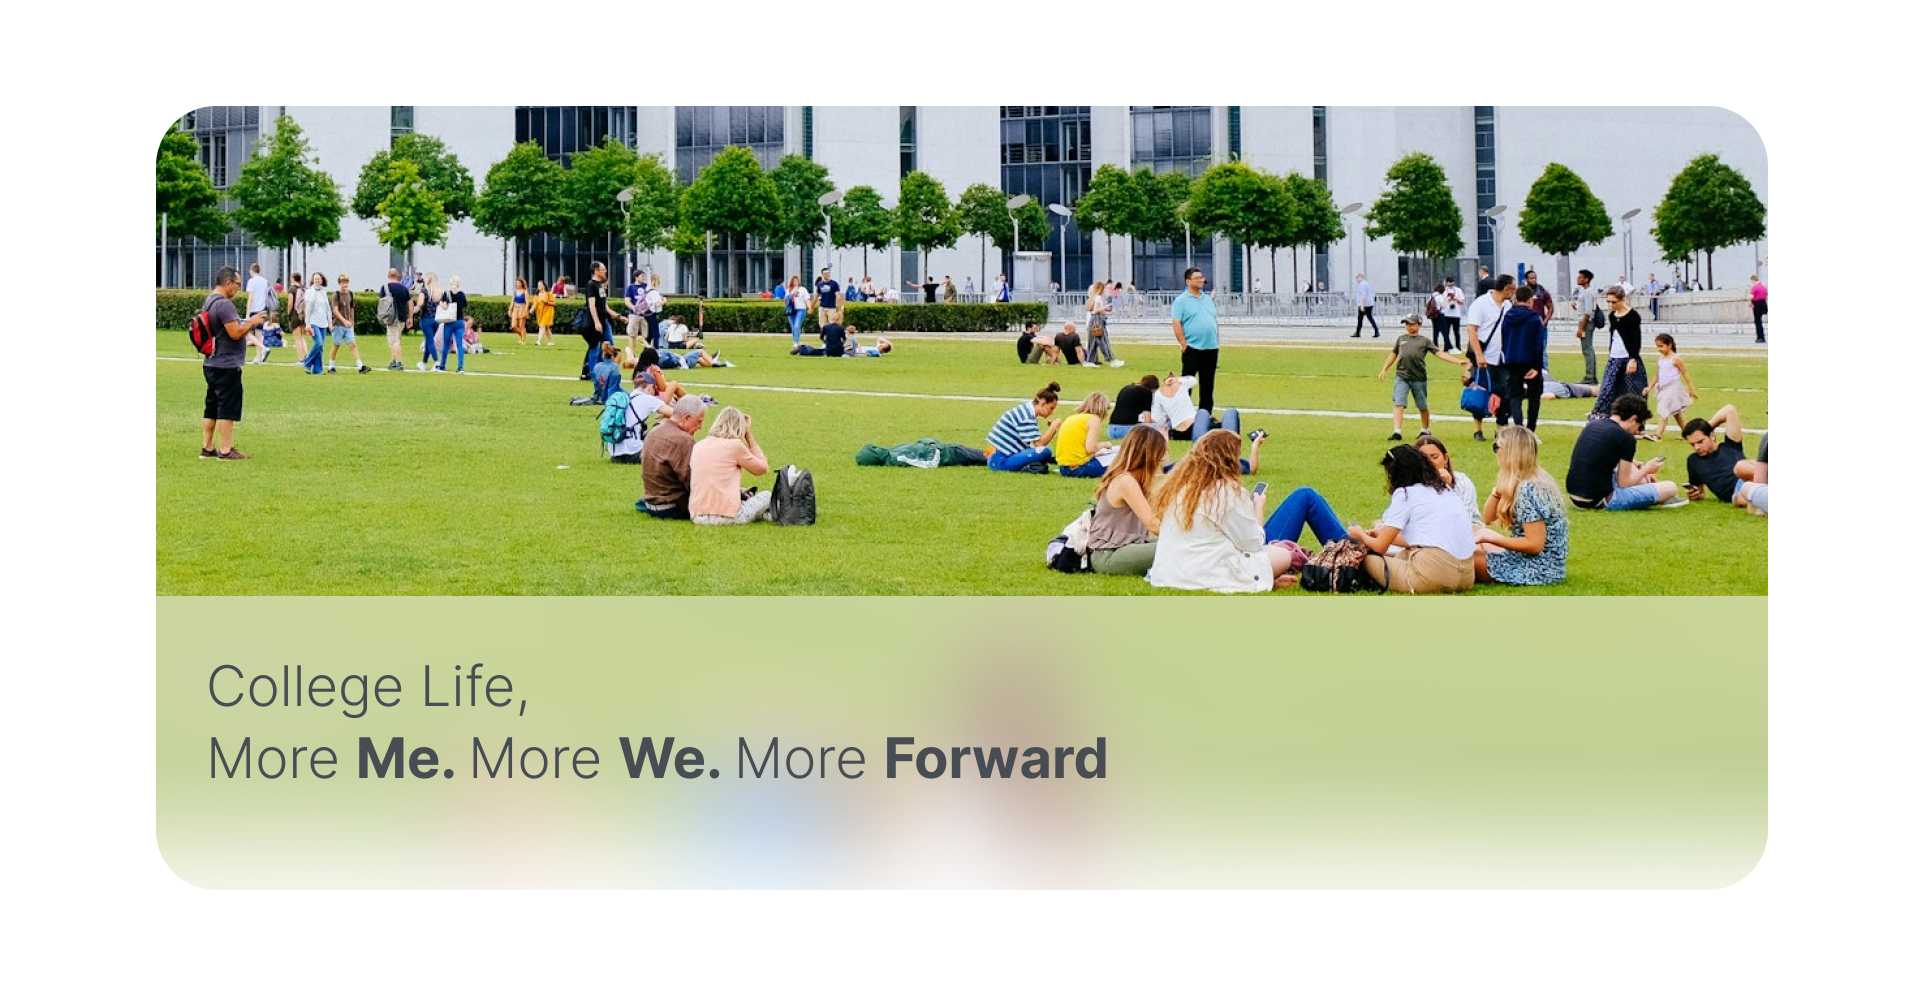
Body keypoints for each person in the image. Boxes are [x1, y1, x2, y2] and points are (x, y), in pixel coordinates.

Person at [1146, 431, 1297, 592]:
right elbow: (1253, 544)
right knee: (1283, 554)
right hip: (1209, 573)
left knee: (1273, 554)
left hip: (1169, 573)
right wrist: (1257, 509)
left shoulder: (1178, 488)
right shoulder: (1227, 493)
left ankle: (1271, 576)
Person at [1348, 445, 1478, 594]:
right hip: (1466, 577)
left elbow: (1380, 547)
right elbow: (1426, 540)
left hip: (1432, 578)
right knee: (1405, 553)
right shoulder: (1444, 489)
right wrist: (1382, 534)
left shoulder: (1405, 494)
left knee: (1364, 558)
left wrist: (1360, 535)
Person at [1474, 426, 1570, 586]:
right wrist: (1498, 492)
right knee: (1478, 532)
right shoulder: (1530, 480)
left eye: (1497, 447)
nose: (1496, 452)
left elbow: (1535, 545)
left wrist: (1494, 538)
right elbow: (1488, 518)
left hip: (1537, 569)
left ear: (1511, 452)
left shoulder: (1528, 489)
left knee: (1464, 558)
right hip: (1545, 565)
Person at [198, 266, 268, 460]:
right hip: (226, 364)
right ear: (228, 283)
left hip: (211, 362)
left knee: (211, 406)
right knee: (226, 407)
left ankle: (207, 447)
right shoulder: (224, 305)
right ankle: (226, 450)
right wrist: (252, 322)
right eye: (237, 285)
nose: (239, 289)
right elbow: (235, 332)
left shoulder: (209, 301)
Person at [1565, 394, 1682, 510]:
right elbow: (1624, 483)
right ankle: (1649, 493)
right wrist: (1647, 468)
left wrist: (1635, 465)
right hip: (1600, 500)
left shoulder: (1593, 425)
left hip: (1575, 496)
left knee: (1634, 469)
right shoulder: (1626, 438)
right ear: (1633, 419)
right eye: (1640, 427)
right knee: (1670, 487)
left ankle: (1646, 489)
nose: (1638, 432)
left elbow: (1600, 456)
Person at [1086, 425, 1169, 576]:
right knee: (1179, 546)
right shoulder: (1125, 481)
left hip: (1126, 547)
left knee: (1180, 545)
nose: (1164, 457)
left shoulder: (1136, 479)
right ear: (1149, 454)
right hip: (1108, 555)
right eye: (1162, 452)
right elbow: (1153, 525)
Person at [1377, 313, 1471, 441]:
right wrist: (1384, 369)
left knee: (1422, 406)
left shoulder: (1424, 341)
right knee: (1399, 403)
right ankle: (1397, 431)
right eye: (1407, 324)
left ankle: (1425, 429)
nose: (1409, 327)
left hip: (1418, 379)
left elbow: (1439, 353)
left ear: (1419, 325)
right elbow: (1393, 354)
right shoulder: (1401, 339)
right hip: (1402, 377)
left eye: (1412, 324)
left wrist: (1457, 361)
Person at [690, 406, 774, 526]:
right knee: (767, 495)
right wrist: (748, 435)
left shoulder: (698, 446)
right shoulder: (735, 446)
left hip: (698, 516)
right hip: (729, 516)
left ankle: (768, 515)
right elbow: (762, 468)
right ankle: (776, 514)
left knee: (742, 492)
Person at [1462, 273, 1517, 441]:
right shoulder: (1481, 304)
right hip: (1484, 357)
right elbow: (1472, 330)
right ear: (1507, 288)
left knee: (1505, 393)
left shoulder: (1508, 305)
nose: (1514, 292)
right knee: (1480, 392)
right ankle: (1478, 429)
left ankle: (1501, 429)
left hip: (1502, 357)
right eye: (1513, 289)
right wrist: (1479, 355)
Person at [638, 395, 708, 519]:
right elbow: (693, 483)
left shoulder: (653, 432)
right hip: (672, 507)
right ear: (686, 418)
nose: (700, 427)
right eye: (699, 421)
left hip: (650, 503)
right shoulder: (683, 440)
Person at [1684, 404, 1765, 508]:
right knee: (1739, 499)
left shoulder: (1730, 445)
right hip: (1737, 493)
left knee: (1741, 467)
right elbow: (1699, 490)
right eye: (1692, 444)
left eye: (1700, 441)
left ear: (1712, 436)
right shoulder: (1693, 461)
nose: (1697, 447)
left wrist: (1705, 428)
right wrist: (1696, 494)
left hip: (1749, 477)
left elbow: (1729, 410)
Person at [1589, 285, 1647, 420]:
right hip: (1614, 358)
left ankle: (1635, 421)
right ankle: (1602, 417)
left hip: (1628, 358)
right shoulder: (1612, 316)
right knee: (1607, 390)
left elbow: (1635, 339)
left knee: (1633, 392)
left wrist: (1633, 358)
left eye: (1614, 302)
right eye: (1608, 302)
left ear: (1622, 300)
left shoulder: (1632, 316)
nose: (1611, 305)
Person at [1495, 289, 1548, 431]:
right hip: (1530, 361)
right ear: (1530, 300)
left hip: (1511, 360)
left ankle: (1519, 426)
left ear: (1516, 299)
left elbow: (1504, 340)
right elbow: (1538, 345)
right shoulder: (1534, 318)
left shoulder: (1507, 317)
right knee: (1534, 396)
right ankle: (1531, 429)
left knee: (1515, 396)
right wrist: (1537, 367)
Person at [1171, 267, 1221, 414]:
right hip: (1192, 348)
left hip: (1211, 348)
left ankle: (1205, 415)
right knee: (1187, 384)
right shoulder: (1181, 301)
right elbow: (1176, 323)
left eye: (1202, 277)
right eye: (1197, 278)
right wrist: (1183, 344)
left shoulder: (1207, 300)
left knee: (1207, 385)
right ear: (1188, 281)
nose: (1201, 280)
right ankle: (1183, 416)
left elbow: (1213, 320)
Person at [986, 381, 1063, 473]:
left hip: (998, 457)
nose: (1052, 412)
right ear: (1042, 403)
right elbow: (1039, 443)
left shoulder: (1027, 410)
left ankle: (1034, 465)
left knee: (1042, 452)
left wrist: (1052, 429)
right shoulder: (1026, 416)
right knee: (1045, 451)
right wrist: (1054, 426)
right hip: (1000, 461)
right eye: (1051, 408)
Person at [1413, 434, 1481, 530]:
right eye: (1424, 459)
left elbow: (1461, 522)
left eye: (1435, 457)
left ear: (1445, 459)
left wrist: (1447, 488)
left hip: (1466, 533)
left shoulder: (1462, 483)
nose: (1430, 463)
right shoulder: (1412, 486)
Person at [1152, 372, 1241, 442]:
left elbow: (1158, 418)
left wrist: (1168, 418)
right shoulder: (1180, 384)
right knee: (1221, 422)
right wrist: (1178, 379)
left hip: (1177, 433)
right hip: (1194, 426)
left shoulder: (1158, 394)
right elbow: (1193, 380)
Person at [1645, 333, 1698, 440]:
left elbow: (1685, 373)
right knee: (1677, 414)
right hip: (1663, 388)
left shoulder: (1676, 359)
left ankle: (1657, 435)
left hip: (1673, 388)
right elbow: (1657, 374)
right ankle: (1689, 434)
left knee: (1663, 410)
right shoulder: (1661, 358)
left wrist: (1691, 389)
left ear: (1669, 345)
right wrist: (1649, 387)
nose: (1659, 349)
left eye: (1661, 346)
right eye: (1657, 346)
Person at [608, 370, 666, 464]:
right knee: (665, 421)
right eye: (654, 388)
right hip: (635, 453)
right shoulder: (648, 399)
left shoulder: (626, 398)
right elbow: (676, 414)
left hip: (615, 456)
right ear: (649, 387)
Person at [1055, 393, 1117, 478]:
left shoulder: (1071, 418)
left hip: (1064, 468)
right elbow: (1090, 448)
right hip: (1081, 467)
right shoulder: (1094, 419)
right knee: (1119, 463)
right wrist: (1105, 445)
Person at [326, 273, 370, 374]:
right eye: (342, 283)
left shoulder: (350, 294)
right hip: (338, 325)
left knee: (353, 345)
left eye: (346, 282)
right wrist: (344, 321)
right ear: (339, 283)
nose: (344, 285)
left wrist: (351, 321)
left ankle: (360, 366)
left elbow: (351, 309)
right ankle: (331, 366)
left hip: (348, 325)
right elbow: (335, 310)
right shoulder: (336, 295)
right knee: (336, 345)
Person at [581, 262, 617, 380]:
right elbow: (592, 305)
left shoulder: (601, 285)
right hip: (594, 323)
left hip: (604, 321)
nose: (605, 271)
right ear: (596, 271)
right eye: (603, 269)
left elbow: (604, 305)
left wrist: (617, 315)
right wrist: (596, 322)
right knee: (595, 348)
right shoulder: (591, 285)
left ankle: (605, 370)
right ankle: (593, 373)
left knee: (609, 345)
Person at [435, 275, 470, 373]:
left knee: (446, 344)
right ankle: (460, 367)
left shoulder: (447, 293)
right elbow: (464, 306)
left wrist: (441, 304)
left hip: (449, 321)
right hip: (459, 321)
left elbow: (444, 306)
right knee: (459, 344)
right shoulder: (462, 294)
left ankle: (442, 365)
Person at [378, 268, 410, 371]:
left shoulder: (385, 288)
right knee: (397, 339)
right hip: (402, 318)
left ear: (388, 275)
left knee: (393, 341)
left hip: (391, 318)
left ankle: (398, 362)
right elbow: (410, 302)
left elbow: (382, 303)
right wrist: (410, 317)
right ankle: (393, 361)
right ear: (397, 276)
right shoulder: (403, 288)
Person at [1108, 374, 1158, 439]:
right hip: (1127, 430)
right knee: (1162, 426)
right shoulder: (1147, 392)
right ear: (1153, 388)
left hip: (1111, 430)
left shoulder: (1126, 388)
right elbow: (1147, 423)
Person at [244, 263, 276, 365]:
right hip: (263, 309)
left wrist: (247, 314)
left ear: (251, 271)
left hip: (254, 310)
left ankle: (264, 348)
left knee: (247, 333)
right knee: (259, 334)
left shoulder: (252, 281)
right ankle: (258, 357)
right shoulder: (265, 281)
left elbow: (251, 298)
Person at [1083, 280, 1119, 367]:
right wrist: (1105, 307)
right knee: (1103, 341)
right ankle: (1111, 360)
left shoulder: (1093, 297)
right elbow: (1096, 310)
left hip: (1094, 320)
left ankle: (1089, 361)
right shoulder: (1098, 297)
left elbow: (1093, 310)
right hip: (1097, 321)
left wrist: (1106, 312)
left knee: (1093, 342)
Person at [301, 271, 331, 374]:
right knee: (318, 343)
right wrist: (307, 324)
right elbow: (308, 309)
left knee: (321, 347)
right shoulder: (310, 291)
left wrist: (330, 323)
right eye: (315, 279)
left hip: (323, 322)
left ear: (322, 280)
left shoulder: (323, 292)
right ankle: (307, 362)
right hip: (313, 322)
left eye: (319, 278)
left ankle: (318, 369)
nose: (317, 280)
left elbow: (328, 309)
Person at [415, 272, 440, 370]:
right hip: (436, 319)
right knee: (428, 340)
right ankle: (424, 362)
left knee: (430, 341)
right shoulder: (438, 291)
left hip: (426, 318)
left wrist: (416, 306)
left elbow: (420, 303)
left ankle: (436, 361)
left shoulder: (424, 291)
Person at [1438, 274, 1466, 354]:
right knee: (1446, 332)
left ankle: (1458, 346)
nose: (1450, 285)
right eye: (1448, 283)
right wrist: (1448, 299)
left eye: (1451, 283)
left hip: (1456, 314)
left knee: (1456, 332)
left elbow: (1462, 302)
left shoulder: (1458, 290)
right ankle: (1447, 347)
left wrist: (1455, 298)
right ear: (1446, 283)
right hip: (1446, 314)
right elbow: (1441, 303)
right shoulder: (1443, 291)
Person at [624, 271, 648, 357]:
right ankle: (632, 354)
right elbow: (627, 301)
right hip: (634, 315)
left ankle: (646, 353)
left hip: (645, 315)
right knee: (632, 335)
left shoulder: (646, 287)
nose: (644, 278)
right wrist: (634, 308)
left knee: (646, 335)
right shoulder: (630, 287)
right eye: (642, 276)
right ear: (636, 277)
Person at [784, 275, 810, 346]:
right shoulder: (789, 289)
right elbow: (786, 299)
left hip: (801, 309)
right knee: (793, 326)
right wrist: (792, 293)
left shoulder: (803, 289)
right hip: (791, 310)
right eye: (794, 281)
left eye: (797, 281)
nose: (795, 283)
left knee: (797, 325)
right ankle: (795, 341)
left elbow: (807, 299)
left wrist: (810, 307)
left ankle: (796, 342)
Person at [1351, 273, 1379, 338]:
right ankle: (1376, 331)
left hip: (1365, 304)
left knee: (1360, 319)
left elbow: (1363, 295)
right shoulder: (1366, 284)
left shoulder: (1362, 285)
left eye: (1357, 278)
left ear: (1361, 277)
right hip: (1369, 304)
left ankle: (1358, 333)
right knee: (1369, 318)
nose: (1356, 279)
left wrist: (1362, 305)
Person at [532, 279, 556, 346]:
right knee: (546, 328)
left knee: (542, 325)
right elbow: (535, 304)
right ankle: (551, 341)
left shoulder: (548, 294)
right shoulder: (536, 295)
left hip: (548, 311)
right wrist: (530, 311)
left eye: (540, 285)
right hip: (540, 313)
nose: (539, 286)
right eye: (538, 285)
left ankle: (538, 341)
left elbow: (554, 303)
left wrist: (547, 302)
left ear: (544, 286)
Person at [509, 277, 529, 345]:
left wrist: (525, 311)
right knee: (513, 326)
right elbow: (512, 301)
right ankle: (522, 336)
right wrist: (510, 310)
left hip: (522, 308)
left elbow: (527, 302)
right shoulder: (515, 292)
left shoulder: (525, 291)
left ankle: (523, 340)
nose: (518, 284)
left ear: (522, 284)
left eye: (519, 283)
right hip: (515, 308)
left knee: (521, 326)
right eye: (517, 283)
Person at [1748, 274, 1768, 343]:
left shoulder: (1755, 287)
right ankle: (1762, 337)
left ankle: (1760, 337)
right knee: (1759, 320)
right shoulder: (1764, 287)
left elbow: (1750, 296)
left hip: (1757, 304)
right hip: (1763, 304)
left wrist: (1749, 299)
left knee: (1757, 321)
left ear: (1753, 280)